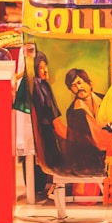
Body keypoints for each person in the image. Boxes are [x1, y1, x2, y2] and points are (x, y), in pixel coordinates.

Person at [63, 68, 112, 176]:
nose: (79, 88)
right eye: (73, 86)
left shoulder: (106, 101)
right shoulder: (73, 111)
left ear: (90, 84)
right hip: (91, 159)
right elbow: (75, 142)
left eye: (80, 83)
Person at [29, 50, 66, 180]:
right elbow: (47, 109)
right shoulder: (37, 86)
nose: (45, 70)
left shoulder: (43, 85)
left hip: (48, 127)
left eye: (45, 66)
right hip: (45, 129)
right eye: (41, 67)